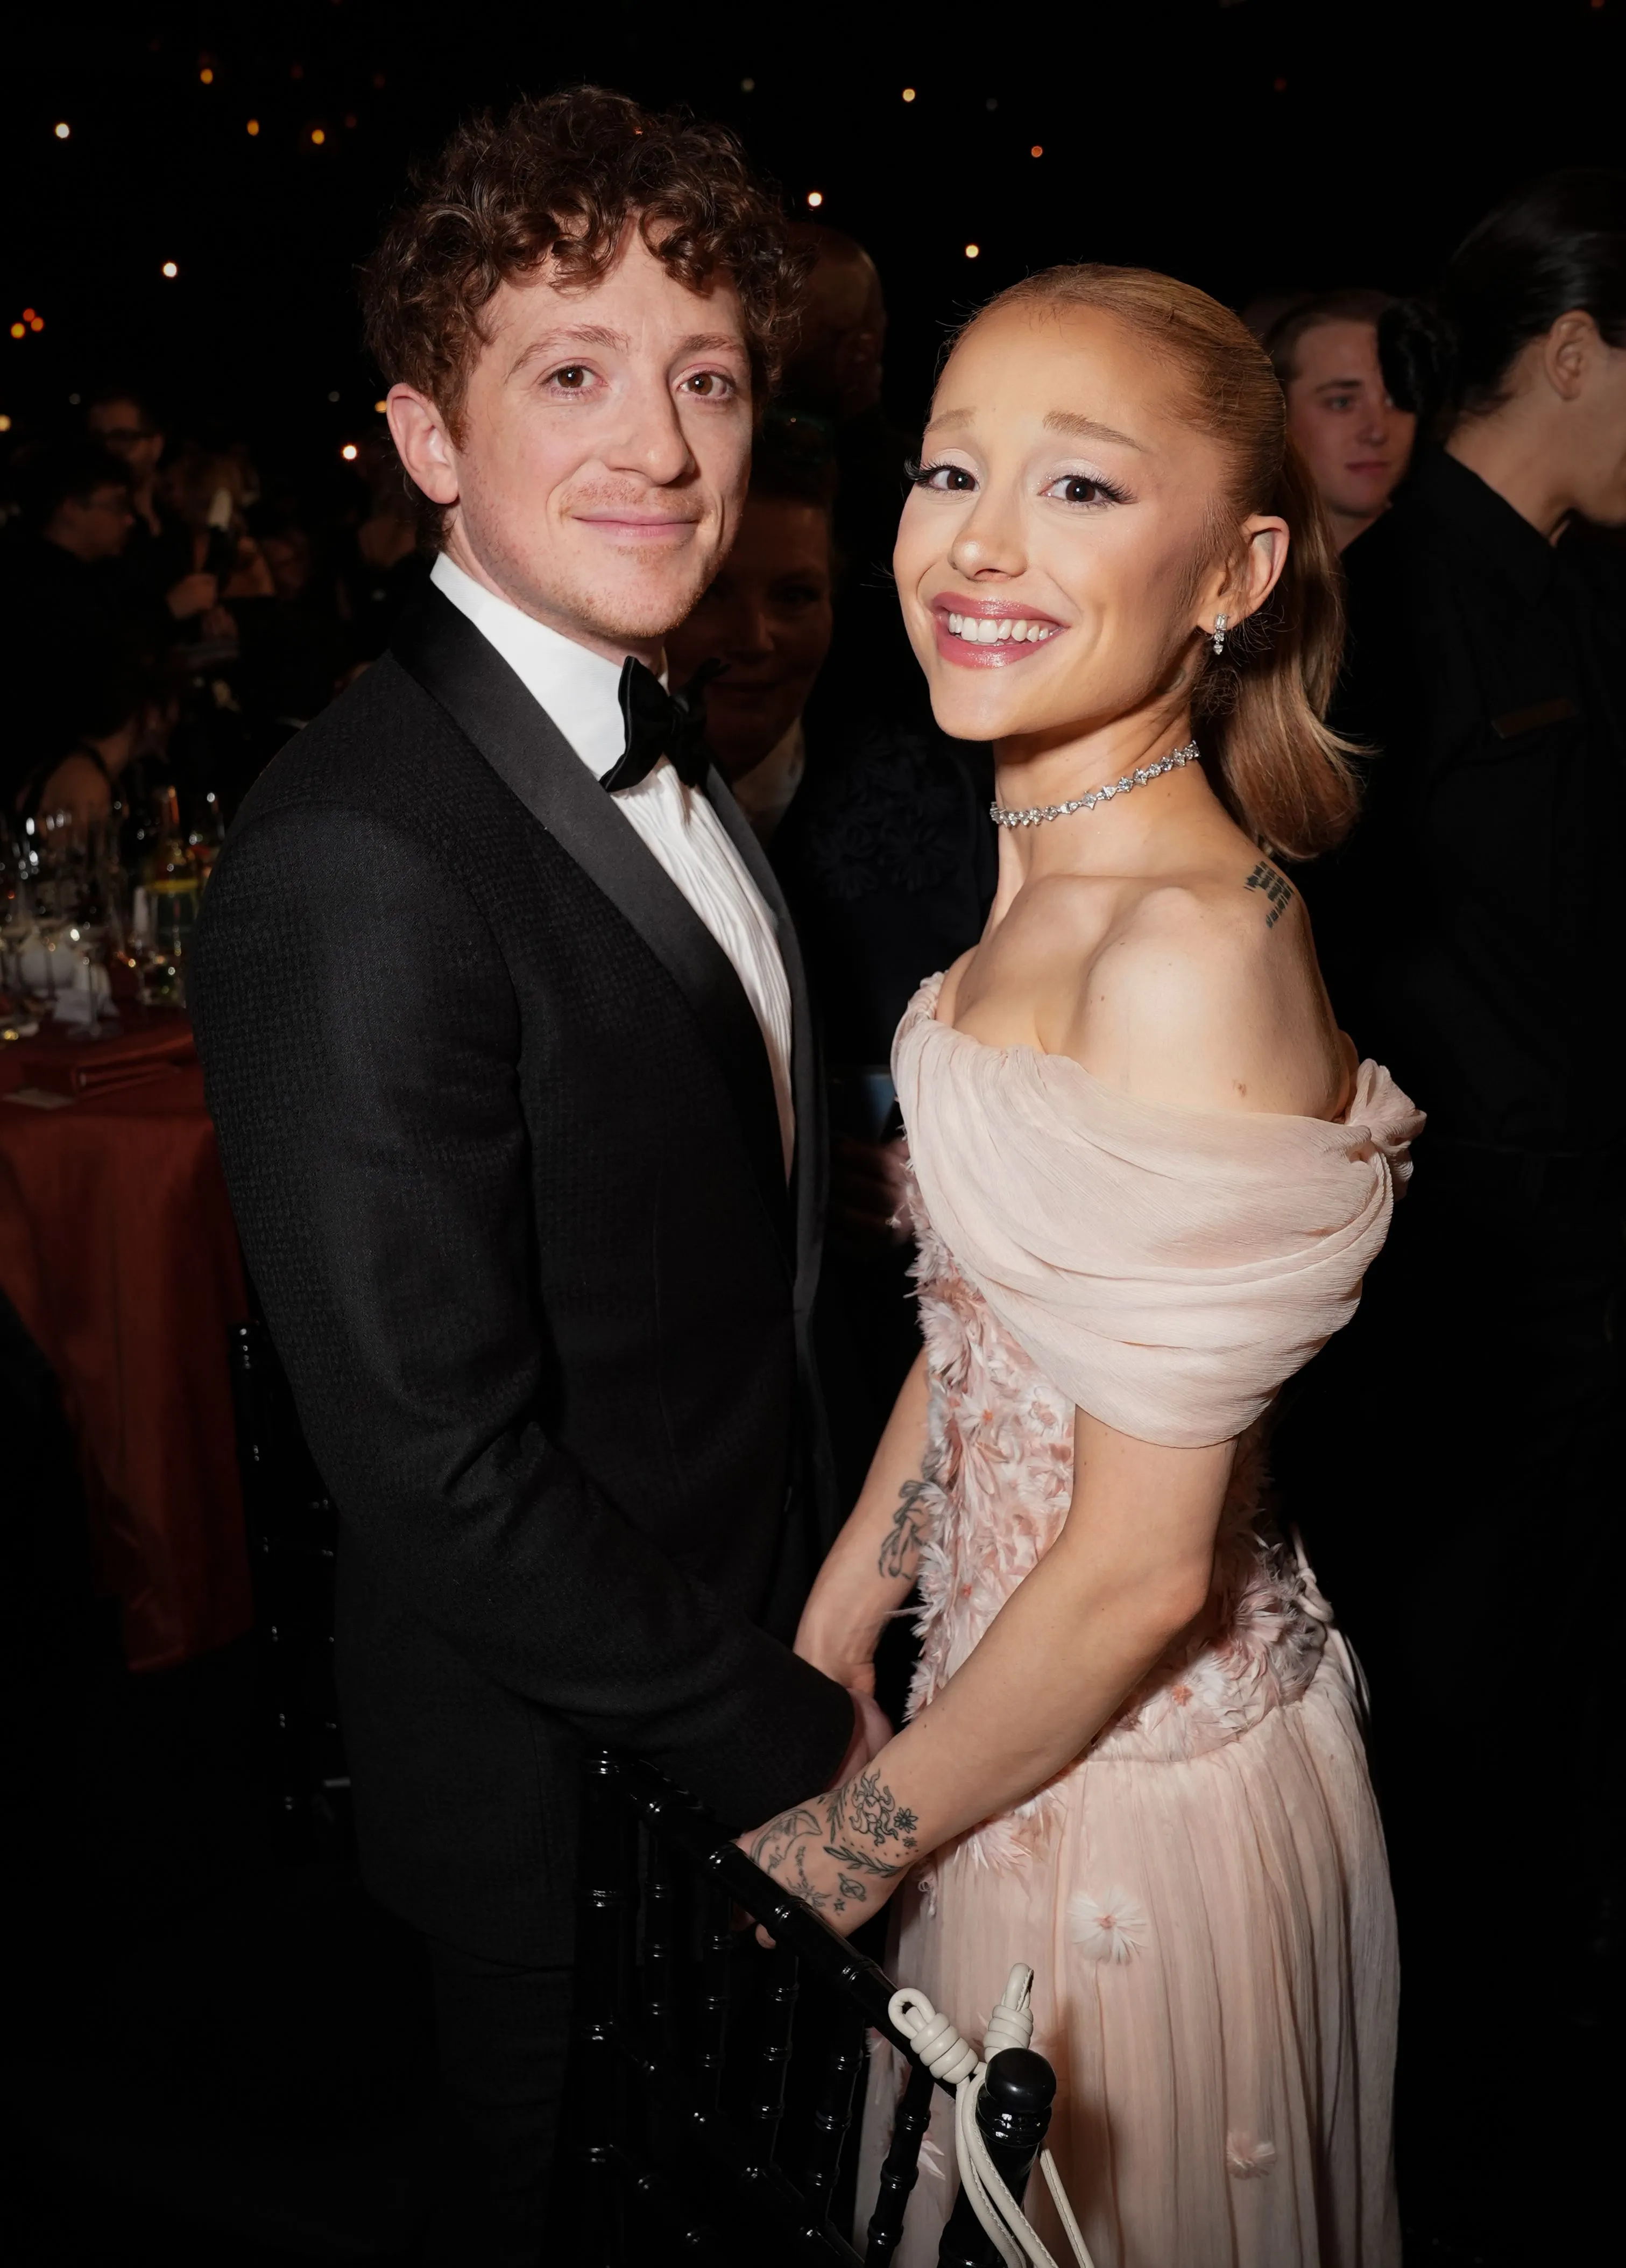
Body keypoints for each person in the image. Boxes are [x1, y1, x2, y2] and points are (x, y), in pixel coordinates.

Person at [189, 88, 881, 2262]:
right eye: (568, 375)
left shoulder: (678, 742)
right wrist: (800, 1736)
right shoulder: (356, 857)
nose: (661, 449)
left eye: (704, 380)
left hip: (749, 1676)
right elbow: (434, 1472)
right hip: (569, 1806)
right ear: (422, 441)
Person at [744, 264, 1419, 2267]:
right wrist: (841, 1613)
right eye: (951, 469)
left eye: (1078, 490)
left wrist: (828, 1855)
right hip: (995, 1723)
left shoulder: (1183, 949)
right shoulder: (1040, 858)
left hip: (1130, 1800)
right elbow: (994, 1316)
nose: (976, 543)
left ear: (1234, 570)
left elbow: (1139, 1570)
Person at [1295, 168, 1626, 2262]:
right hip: (1481, 1297)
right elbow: (1344, 940)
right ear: (1580, 350)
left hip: (1581, 1271)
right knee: (1472, 1750)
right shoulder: (1395, 594)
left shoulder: (1580, 582)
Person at [0, 442, 137, 811]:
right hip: (48, 795)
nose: (129, 520)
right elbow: (95, 698)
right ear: (71, 509)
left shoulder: (100, 580)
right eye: (117, 505)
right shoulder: (35, 591)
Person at [1262, 291, 1416, 550]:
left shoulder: (1463, 562)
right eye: (1342, 403)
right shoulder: (1231, 572)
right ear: (1278, 413)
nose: (1377, 431)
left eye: (1397, 399)